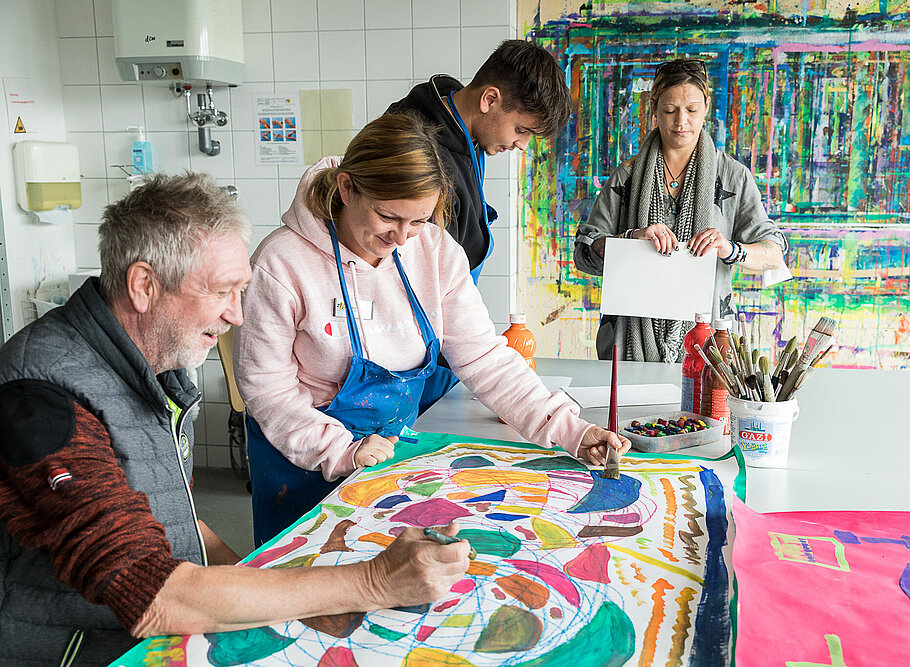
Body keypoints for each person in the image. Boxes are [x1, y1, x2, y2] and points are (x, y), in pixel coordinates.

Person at [0, 174, 470, 667]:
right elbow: (154, 595)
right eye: (223, 291)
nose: (237, 316)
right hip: (75, 651)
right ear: (144, 285)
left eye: (241, 290)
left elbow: (168, 514)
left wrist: (259, 575)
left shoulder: (143, 365)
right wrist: (374, 581)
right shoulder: (42, 397)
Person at [233, 113, 629, 547]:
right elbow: (267, 390)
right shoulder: (281, 263)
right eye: (388, 216)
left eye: (418, 220)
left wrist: (572, 430)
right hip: (301, 458)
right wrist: (341, 451)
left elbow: (486, 359)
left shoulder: (435, 252)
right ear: (347, 188)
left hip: (392, 456)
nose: (402, 237)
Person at [387, 38, 571, 413]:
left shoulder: (465, 128)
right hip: (406, 351)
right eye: (521, 130)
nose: (521, 145)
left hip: (443, 338)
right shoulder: (416, 144)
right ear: (490, 99)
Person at [574, 58, 787, 362]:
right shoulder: (628, 176)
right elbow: (584, 250)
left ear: (707, 107)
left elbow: (775, 252)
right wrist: (631, 238)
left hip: (710, 343)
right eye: (670, 110)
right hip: (627, 345)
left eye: (691, 110)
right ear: (654, 109)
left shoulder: (734, 176)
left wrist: (729, 249)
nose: (680, 122)